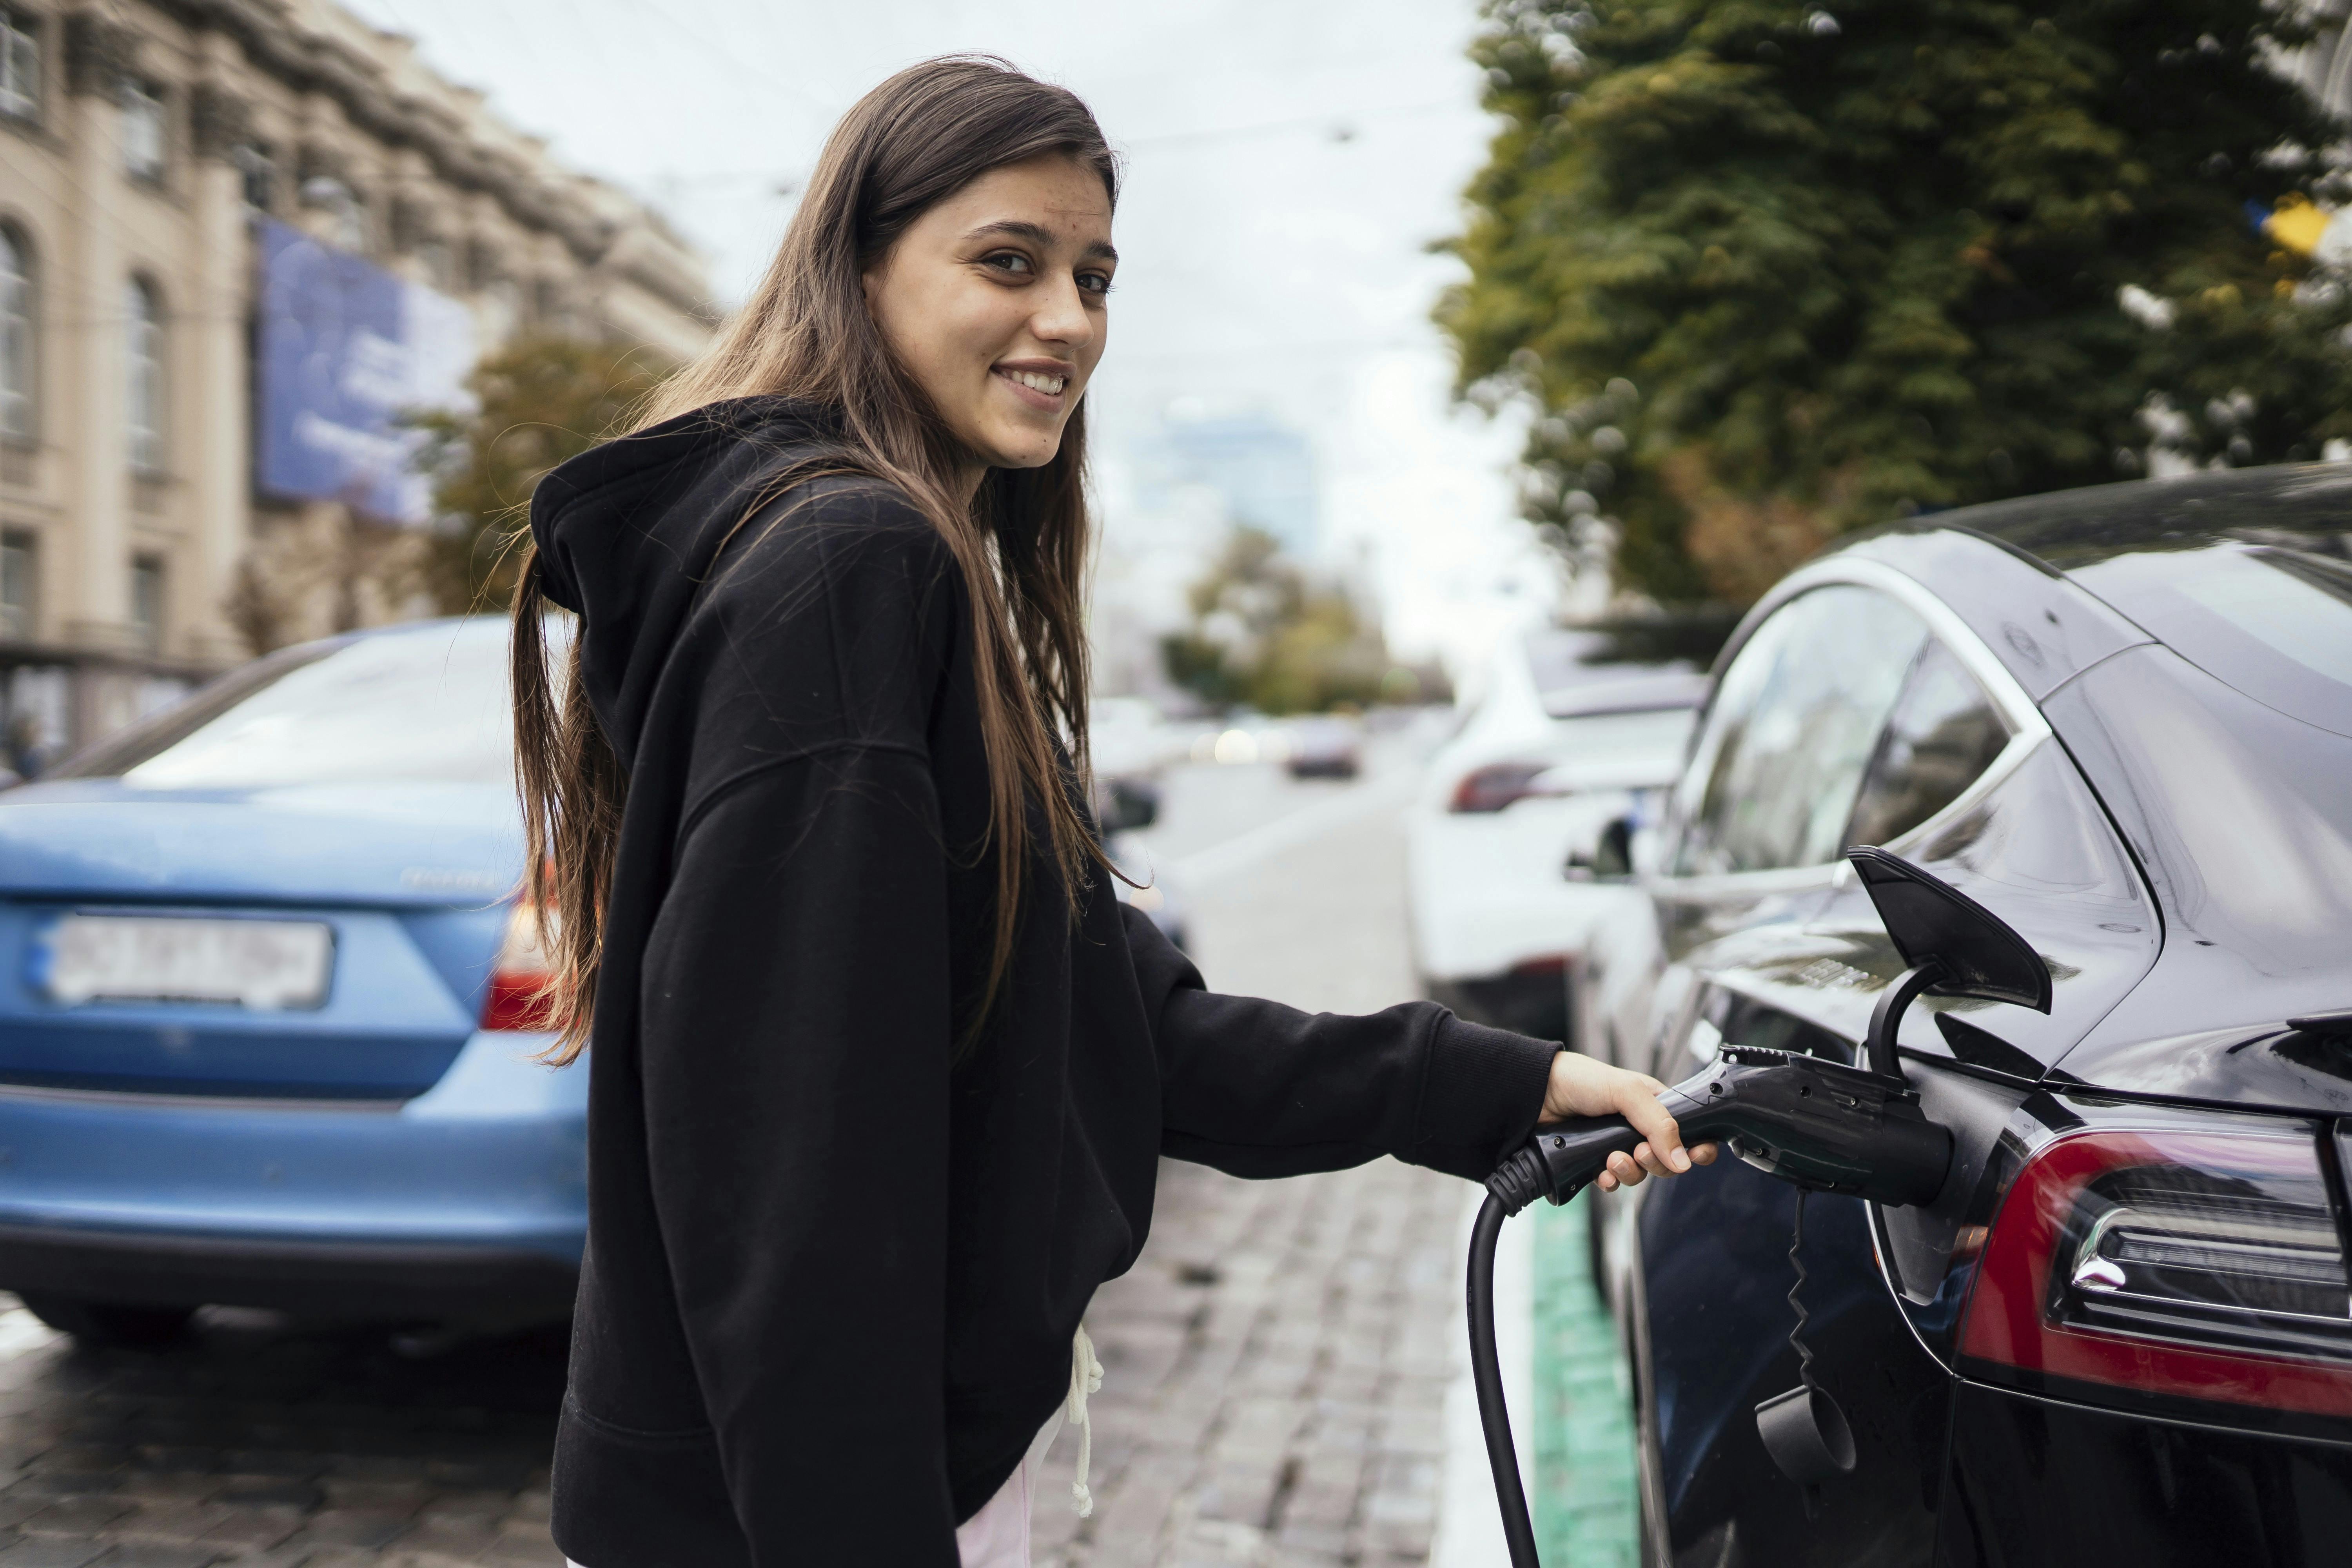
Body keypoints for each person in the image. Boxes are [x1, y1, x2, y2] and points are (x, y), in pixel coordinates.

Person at [509, 56, 1713, 1568]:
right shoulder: (849, 566)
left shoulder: (870, 557)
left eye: (1095, 275)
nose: (1069, 321)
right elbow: (787, 1178)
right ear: (861, 264)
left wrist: (1500, 1086)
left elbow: (1113, 1027)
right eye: (1006, 262)